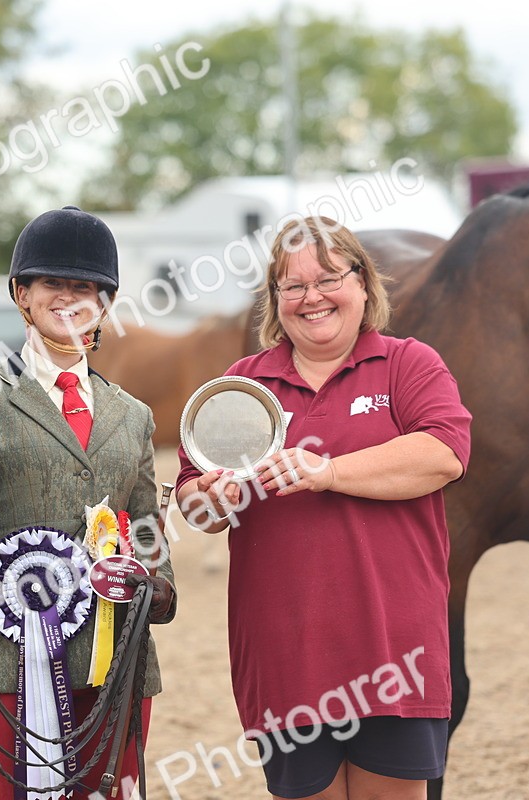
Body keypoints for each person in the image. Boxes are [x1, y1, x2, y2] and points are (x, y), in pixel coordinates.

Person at [175, 216, 471, 800]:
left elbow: (443, 454)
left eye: (330, 278)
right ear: (275, 300)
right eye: (293, 285)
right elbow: (193, 497)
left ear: (364, 285)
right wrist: (209, 497)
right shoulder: (243, 383)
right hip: (287, 655)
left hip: (395, 653)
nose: (312, 297)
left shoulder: (408, 364)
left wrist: (329, 472)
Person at [0, 206, 177, 799]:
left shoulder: (132, 416)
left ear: (104, 302)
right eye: (52, 285)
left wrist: (160, 583)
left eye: (84, 287)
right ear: (21, 295)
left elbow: (144, 525)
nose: (69, 299)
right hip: (9, 652)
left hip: (118, 655)